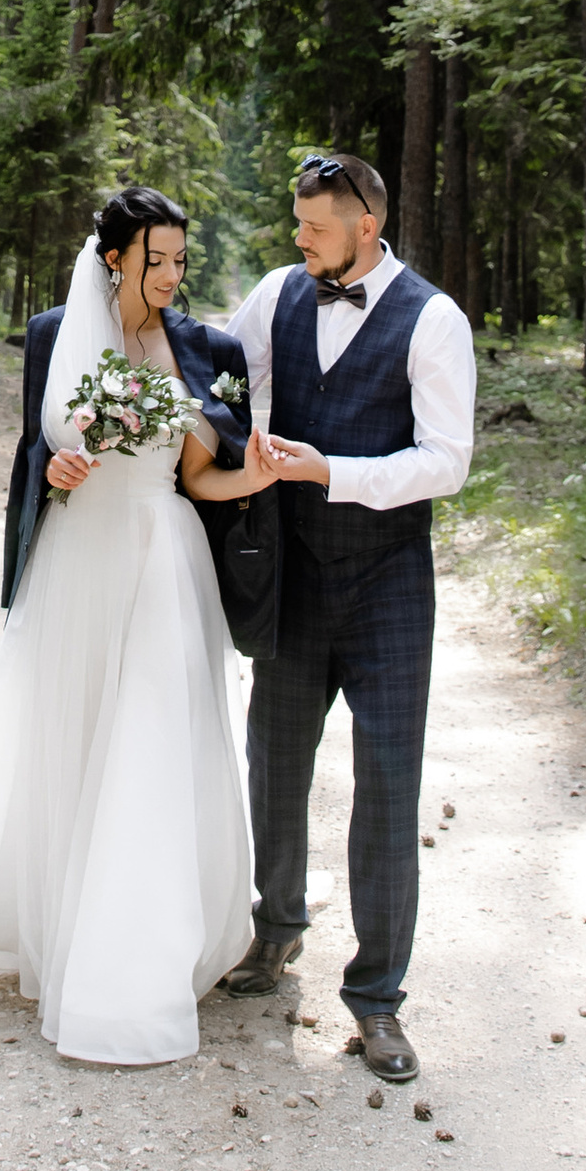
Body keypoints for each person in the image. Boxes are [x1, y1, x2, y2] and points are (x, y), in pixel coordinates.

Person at [0, 184, 256, 1065]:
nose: (170, 275)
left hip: (164, 558)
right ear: (115, 256)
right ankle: (53, 920)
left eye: (180, 260)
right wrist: (58, 472)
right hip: (80, 556)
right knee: (68, 727)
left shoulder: (206, 348)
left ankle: (140, 948)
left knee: (157, 737)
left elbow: (209, 468)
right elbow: (34, 450)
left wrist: (251, 465)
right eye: (155, 258)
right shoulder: (56, 335)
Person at [216, 151, 476, 1084]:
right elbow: (218, 364)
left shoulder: (433, 320)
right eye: (297, 225)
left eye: (315, 227)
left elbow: (446, 460)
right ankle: (275, 932)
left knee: (387, 787)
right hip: (292, 573)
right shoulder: (281, 290)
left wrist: (334, 471)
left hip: (388, 583)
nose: (298, 239)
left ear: (366, 226)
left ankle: (377, 1003)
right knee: (275, 763)